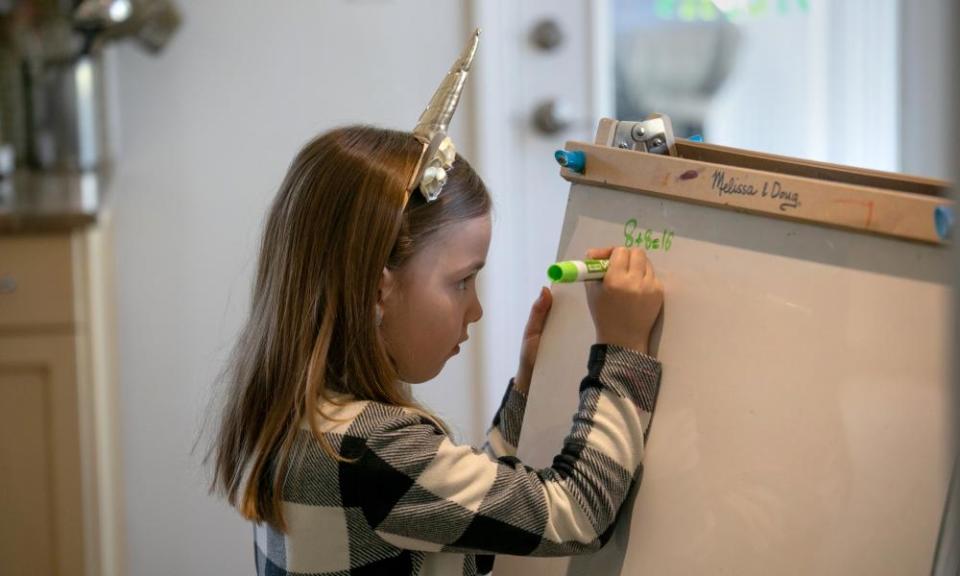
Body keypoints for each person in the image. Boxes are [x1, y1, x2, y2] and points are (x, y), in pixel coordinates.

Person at [207, 29, 664, 576]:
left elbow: (467, 523)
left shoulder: (307, 423)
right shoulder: (376, 453)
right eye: (462, 282)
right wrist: (622, 350)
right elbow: (578, 514)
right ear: (381, 290)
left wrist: (523, 391)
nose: (476, 310)